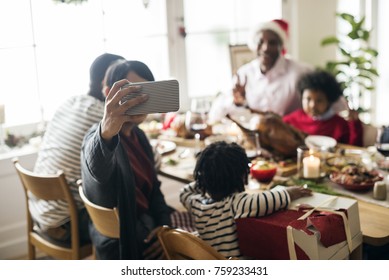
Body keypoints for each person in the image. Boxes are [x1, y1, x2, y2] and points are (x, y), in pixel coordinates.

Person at [81, 59, 174, 260]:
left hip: (148, 225)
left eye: (146, 93)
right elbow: (96, 169)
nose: (140, 101)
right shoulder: (98, 138)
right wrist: (105, 132)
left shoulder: (139, 135)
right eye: (132, 93)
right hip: (124, 242)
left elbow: (154, 189)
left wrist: (164, 228)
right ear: (108, 94)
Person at [32, 53, 124, 243]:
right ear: (107, 82)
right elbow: (149, 160)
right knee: (130, 212)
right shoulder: (106, 117)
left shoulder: (69, 102)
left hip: (39, 212)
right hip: (68, 224)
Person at [179, 141, 312, 259]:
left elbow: (184, 192)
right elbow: (266, 200)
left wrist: (207, 179)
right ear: (242, 176)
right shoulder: (235, 204)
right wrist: (290, 192)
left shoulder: (196, 204)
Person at [208, 19, 313, 124]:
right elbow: (222, 112)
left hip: (286, 134)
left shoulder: (300, 72)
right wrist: (238, 103)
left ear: (281, 46)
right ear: (254, 45)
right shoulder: (244, 74)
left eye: (272, 43)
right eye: (260, 42)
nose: (265, 48)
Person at [283, 69, 363, 146]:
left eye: (319, 100)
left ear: (329, 101)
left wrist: (355, 125)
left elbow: (352, 150)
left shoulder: (340, 125)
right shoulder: (291, 120)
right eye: (308, 99)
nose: (312, 105)